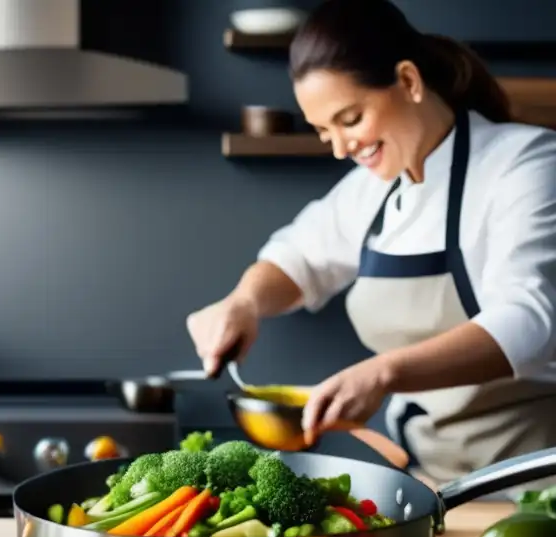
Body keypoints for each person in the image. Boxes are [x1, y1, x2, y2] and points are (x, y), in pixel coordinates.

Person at [187, 0, 556, 490]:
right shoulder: (375, 188)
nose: (341, 148)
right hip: (432, 478)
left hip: (533, 480)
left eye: (351, 118)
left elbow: (530, 319)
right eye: (324, 131)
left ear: (408, 81)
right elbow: (297, 256)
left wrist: (383, 373)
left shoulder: (526, 164)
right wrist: (244, 302)